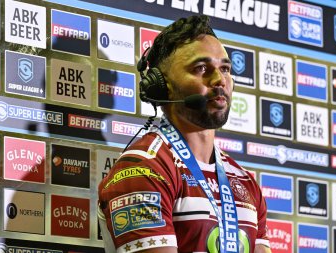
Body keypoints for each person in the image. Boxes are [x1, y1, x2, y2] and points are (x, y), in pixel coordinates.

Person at [98, 15, 271, 253]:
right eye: (201, 68)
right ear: (161, 85)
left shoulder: (245, 182)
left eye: (225, 68)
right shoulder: (143, 168)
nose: (219, 79)